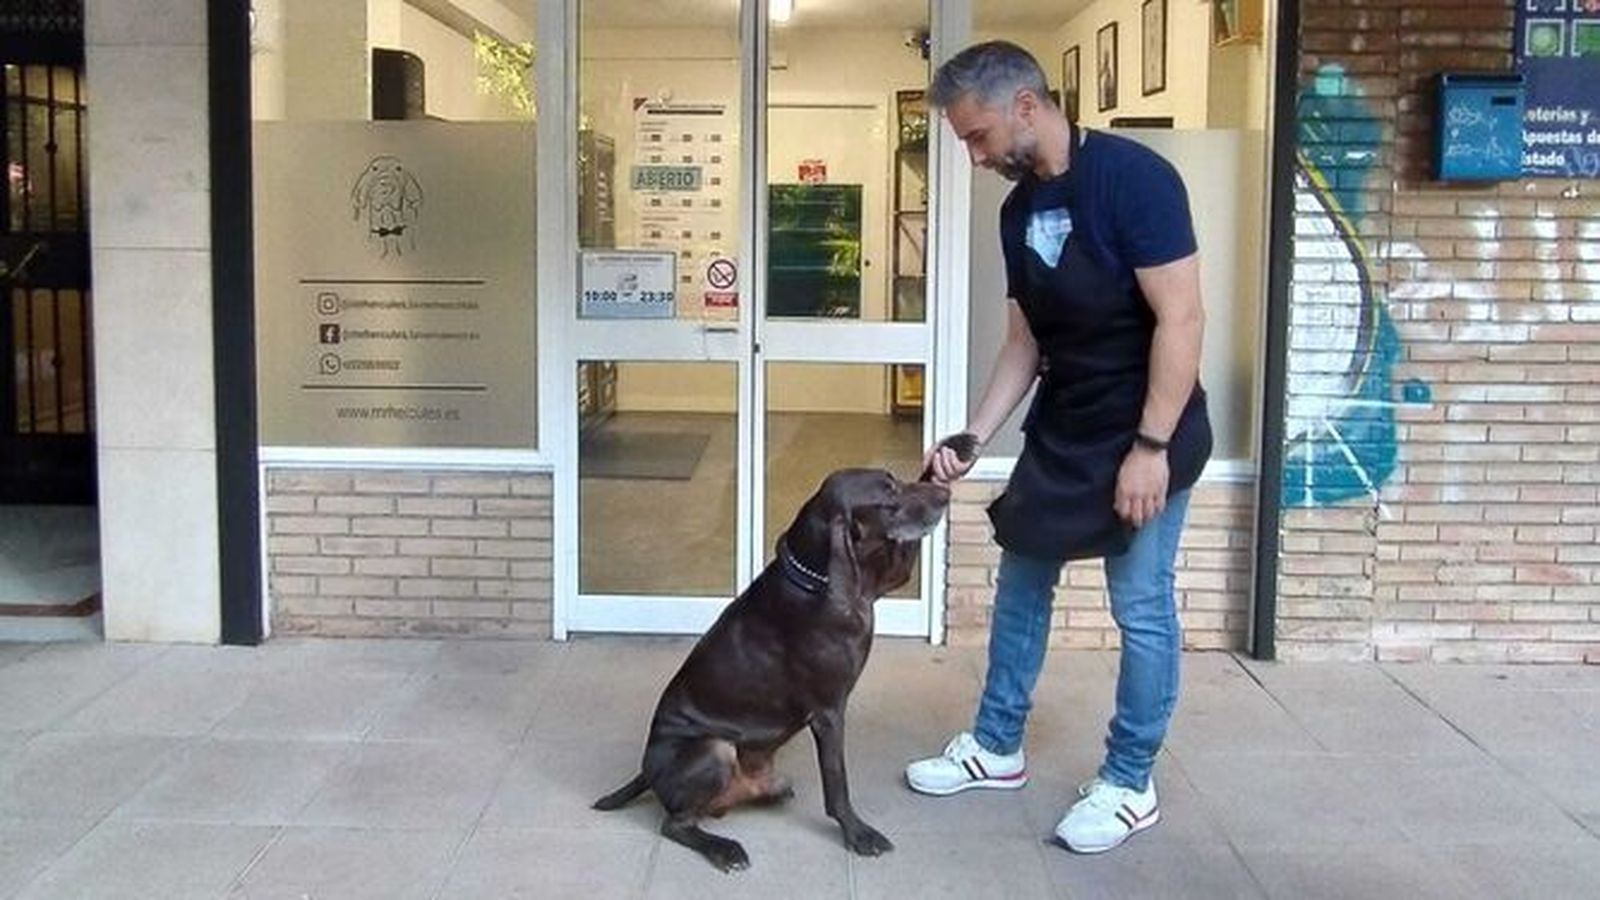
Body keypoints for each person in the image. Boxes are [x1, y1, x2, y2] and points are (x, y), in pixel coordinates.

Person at [905, 40, 1211, 855]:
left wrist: (1151, 446)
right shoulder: (1017, 212)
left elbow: (1182, 320)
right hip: (1067, 423)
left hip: (1148, 424)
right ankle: (998, 746)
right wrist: (975, 433)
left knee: (1140, 603)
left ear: (1026, 106)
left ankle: (1129, 781)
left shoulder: (1134, 180)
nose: (972, 156)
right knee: (1022, 577)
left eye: (976, 136)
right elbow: (1023, 344)